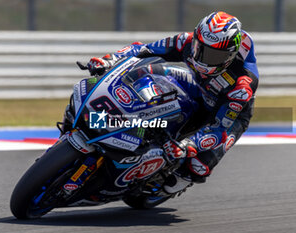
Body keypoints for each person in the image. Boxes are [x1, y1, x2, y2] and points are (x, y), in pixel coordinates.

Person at [86, 11, 259, 193]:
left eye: (213, 55)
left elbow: (219, 129)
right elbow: (144, 49)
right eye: (199, 48)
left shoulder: (242, 85)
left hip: (227, 113)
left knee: (199, 167)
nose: (201, 58)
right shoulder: (186, 41)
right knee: (148, 71)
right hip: (198, 87)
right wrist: (110, 60)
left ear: (229, 56)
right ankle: (112, 123)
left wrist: (187, 146)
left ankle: (165, 185)